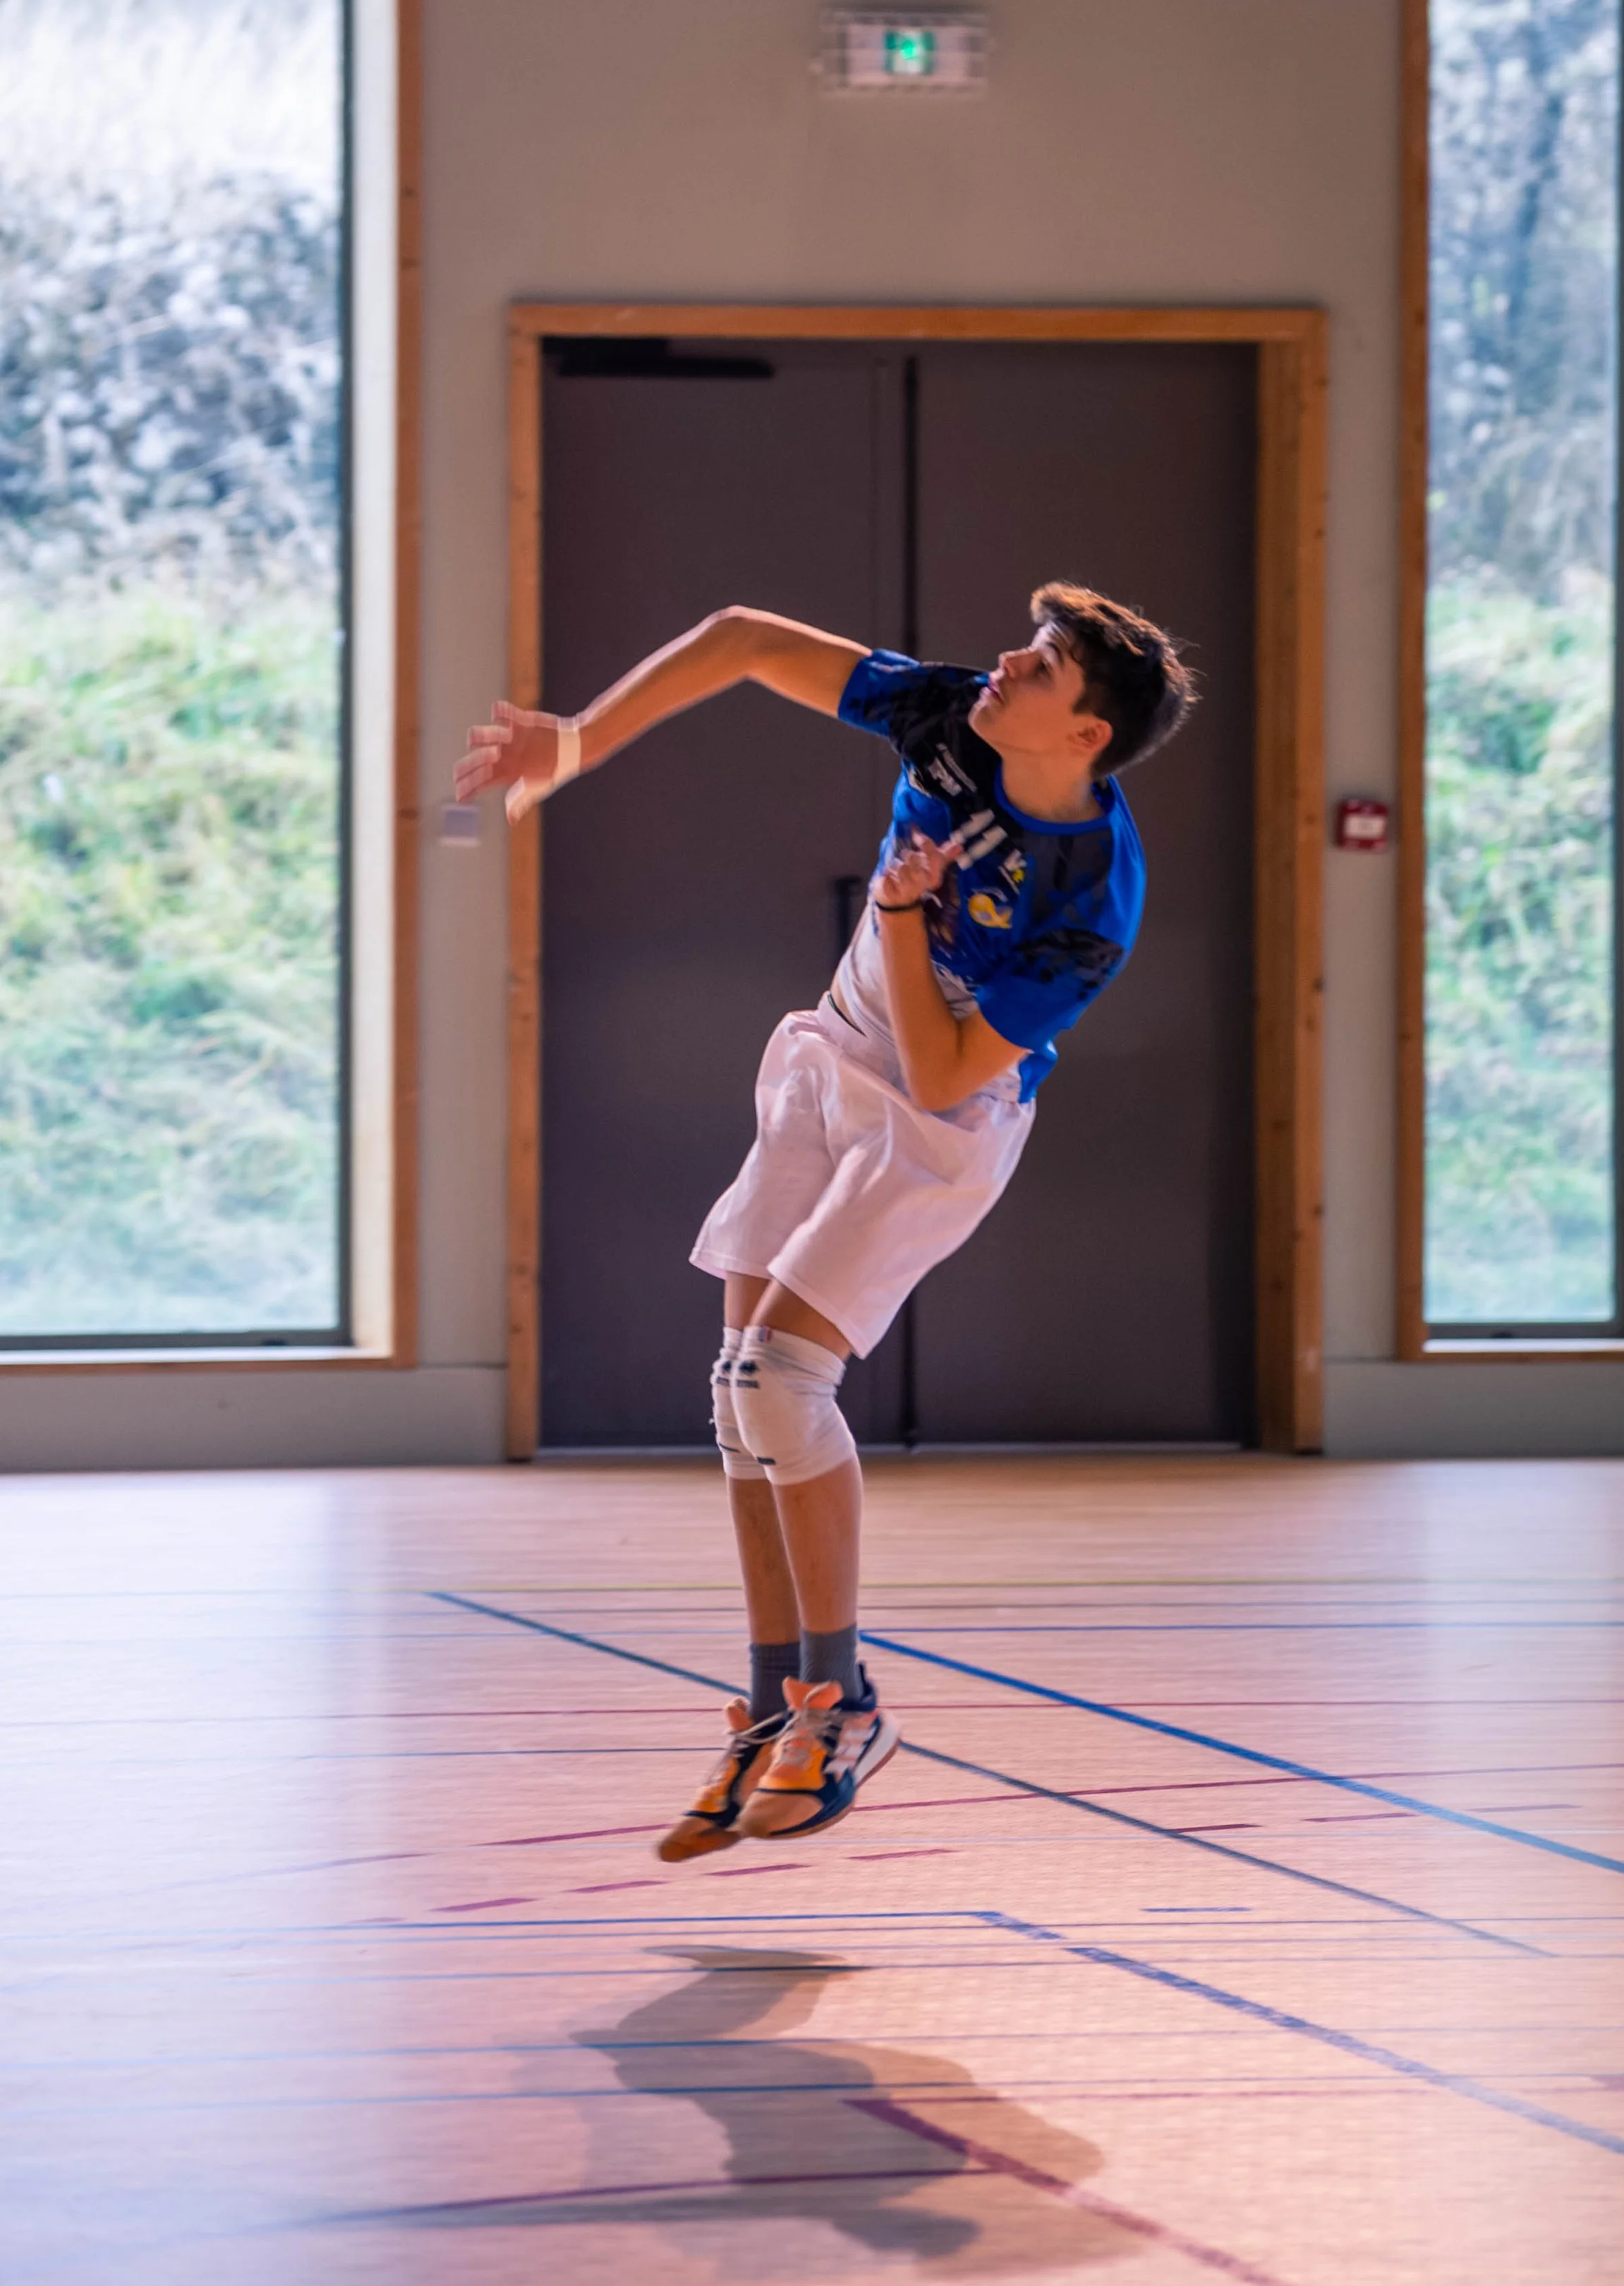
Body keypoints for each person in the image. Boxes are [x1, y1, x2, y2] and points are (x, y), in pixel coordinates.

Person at [454, 583, 1195, 1856]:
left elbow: (951, 1065)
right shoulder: (950, 716)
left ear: (1085, 737)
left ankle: (845, 1704)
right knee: (738, 1391)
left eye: (1048, 664)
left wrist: (903, 918)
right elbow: (743, 637)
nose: (1011, 660)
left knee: (789, 1380)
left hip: (940, 1120)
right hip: (831, 1058)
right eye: (1031, 642)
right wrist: (573, 742)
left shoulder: (1090, 897)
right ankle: (768, 1705)